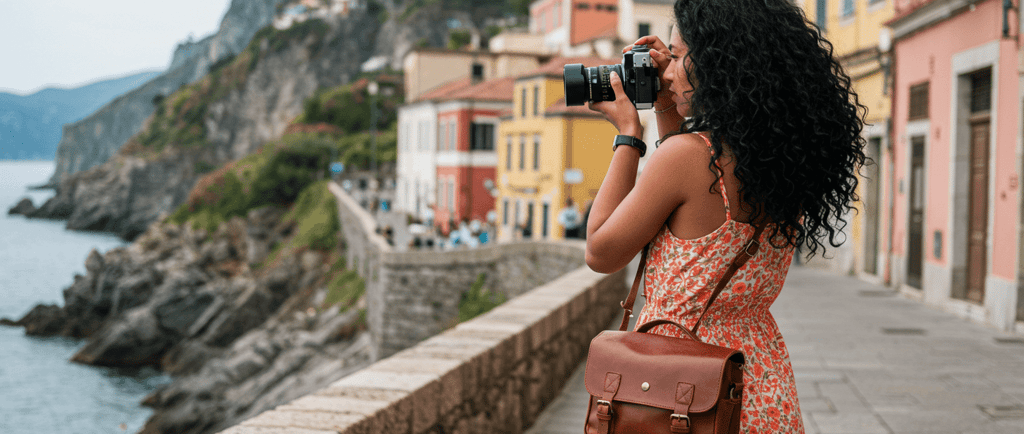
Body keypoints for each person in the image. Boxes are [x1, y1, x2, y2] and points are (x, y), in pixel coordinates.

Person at [585, 1, 866, 433]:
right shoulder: (778, 163)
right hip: (758, 380)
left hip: (680, 389)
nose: (668, 71)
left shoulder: (687, 158)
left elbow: (600, 252)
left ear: (717, 64)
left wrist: (628, 134)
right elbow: (688, 199)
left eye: (678, 56)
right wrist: (666, 105)